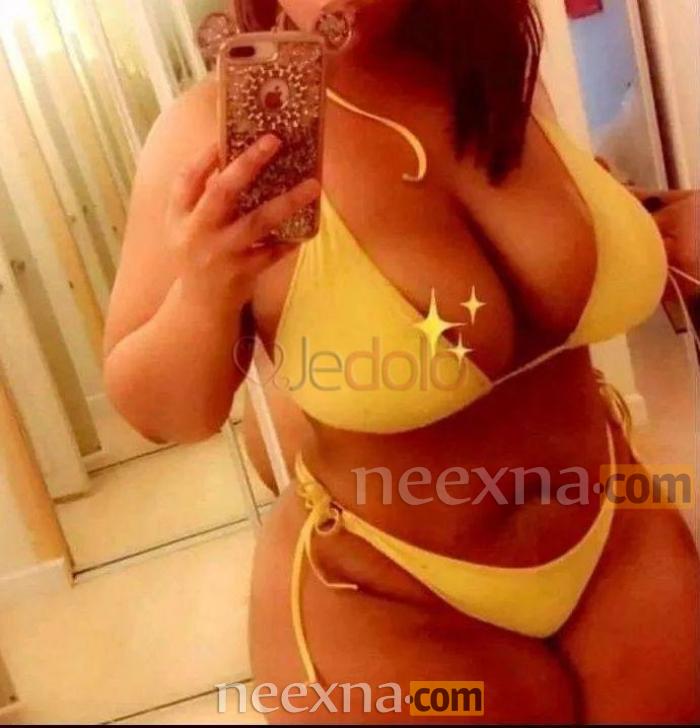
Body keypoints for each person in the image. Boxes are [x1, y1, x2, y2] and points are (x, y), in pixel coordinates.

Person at [104, 0, 699, 722]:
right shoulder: (209, 133)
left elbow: (538, 255)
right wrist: (204, 291)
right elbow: (164, 415)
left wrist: (650, 222)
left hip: (615, 538)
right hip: (386, 597)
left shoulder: (495, 65)